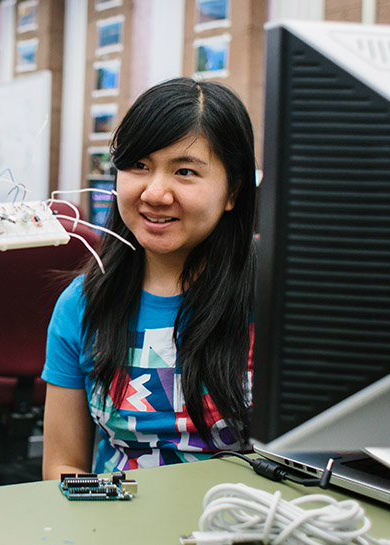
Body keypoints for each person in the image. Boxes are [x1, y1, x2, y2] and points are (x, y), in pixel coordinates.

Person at [41, 78, 256, 477]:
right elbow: (63, 465)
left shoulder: (278, 300)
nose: (155, 193)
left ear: (233, 191)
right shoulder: (81, 306)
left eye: (186, 171)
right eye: (139, 166)